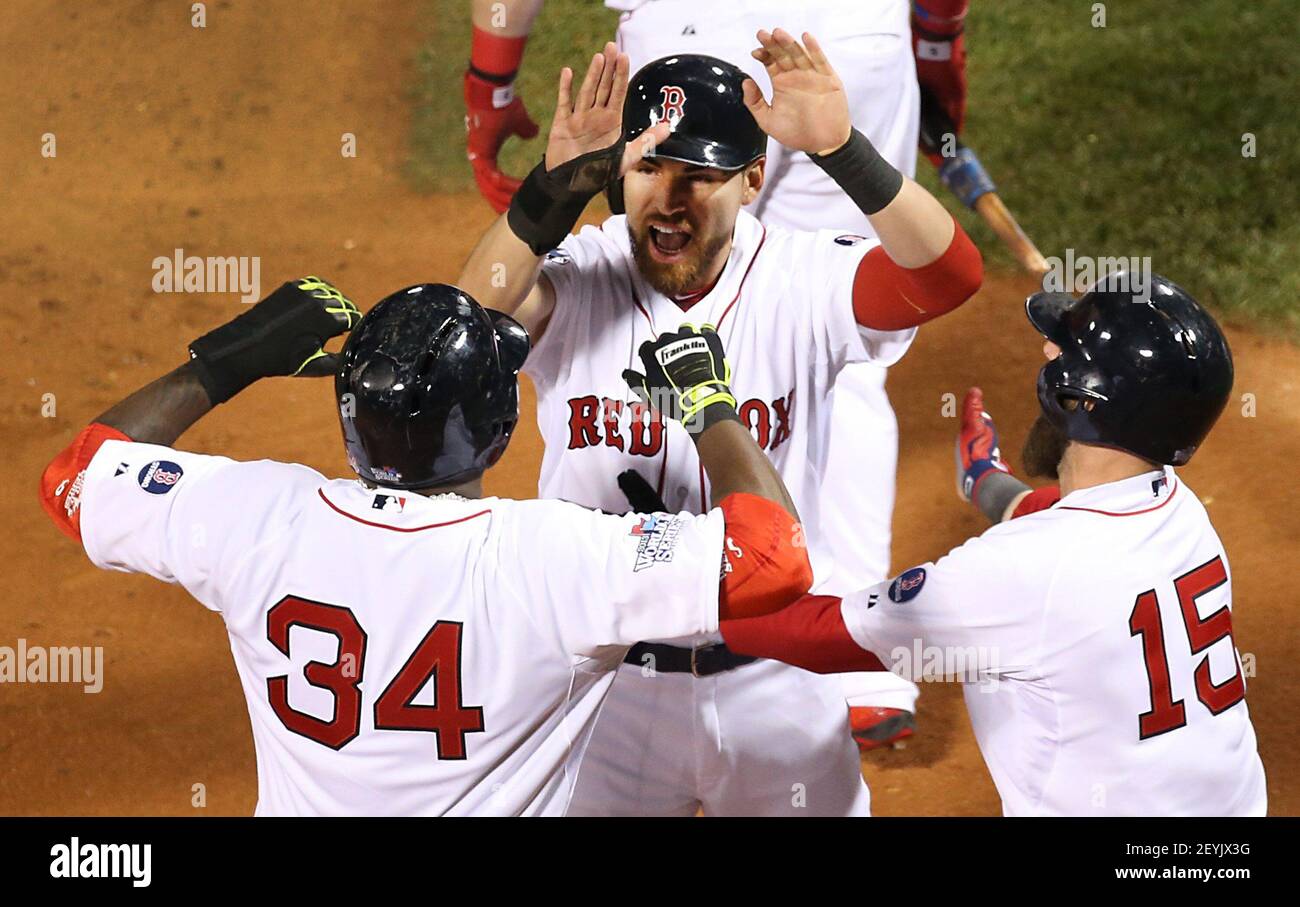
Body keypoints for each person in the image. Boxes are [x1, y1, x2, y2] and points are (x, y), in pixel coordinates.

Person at [39, 277, 815, 816]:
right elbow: (773, 558)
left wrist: (227, 361)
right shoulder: (550, 558)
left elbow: (76, 475)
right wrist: (710, 403)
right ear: (497, 429)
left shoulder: (260, 515)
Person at [457, 32, 981, 814]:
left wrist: (842, 150)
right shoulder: (580, 277)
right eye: (649, 169)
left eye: (701, 175)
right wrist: (550, 191)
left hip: (775, 684)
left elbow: (947, 276)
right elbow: (467, 324)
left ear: (754, 178)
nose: (670, 199)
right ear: (616, 174)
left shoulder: (803, 278)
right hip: (605, 685)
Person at [718, 274, 1268, 815]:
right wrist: (984, 479)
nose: (1047, 349)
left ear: (1079, 399)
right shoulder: (1179, 510)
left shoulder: (1020, 571)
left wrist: (664, 595)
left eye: (1061, 351)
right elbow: (1056, 520)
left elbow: (827, 636)